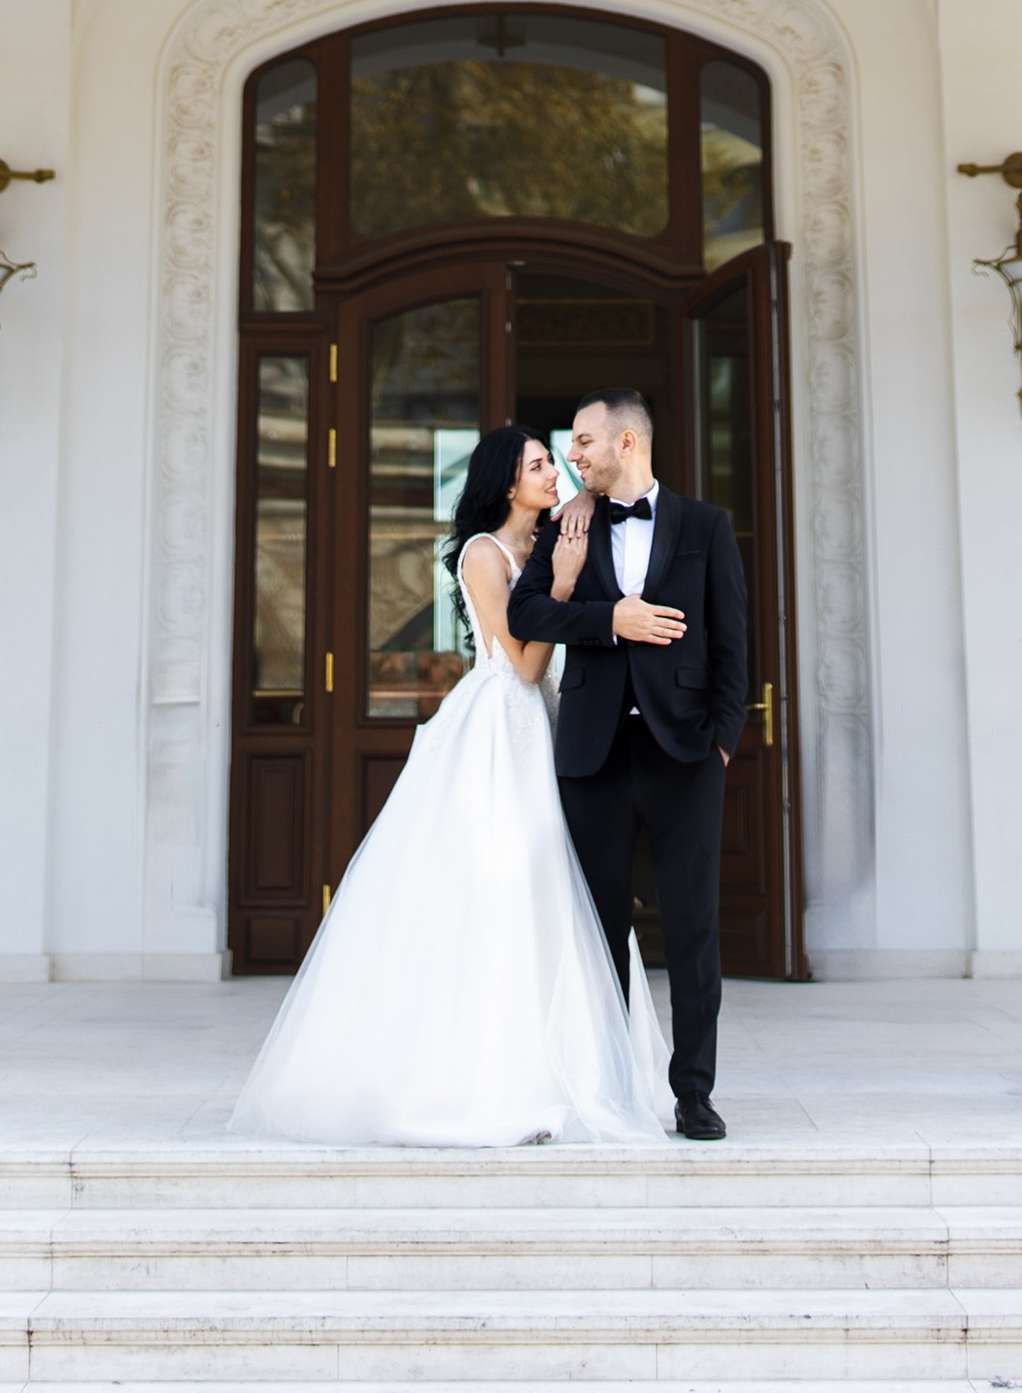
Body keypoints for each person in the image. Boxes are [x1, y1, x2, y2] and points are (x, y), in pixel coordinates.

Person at [228, 423, 674, 1146]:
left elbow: (591, 525)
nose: (554, 473)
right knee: (504, 885)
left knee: (571, 890)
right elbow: (523, 665)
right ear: (507, 482)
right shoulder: (482, 555)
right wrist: (561, 585)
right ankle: (490, 1076)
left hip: (558, 728)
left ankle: (584, 1067)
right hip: (501, 729)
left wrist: (578, 534)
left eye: (554, 463)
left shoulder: (559, 532)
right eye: (538, 465)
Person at [506, 387, 748, 1142]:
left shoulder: (707, 527)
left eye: (583, 440)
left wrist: (722, 741)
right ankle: (607, 1085)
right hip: (593, 752)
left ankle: (694, 1094)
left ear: (627, 444)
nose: (573, 454)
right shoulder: (568, 527)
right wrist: (608, 620)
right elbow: (527, 615)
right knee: (597, 929)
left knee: (693, 931)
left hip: (684, 754)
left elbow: (733, 642)